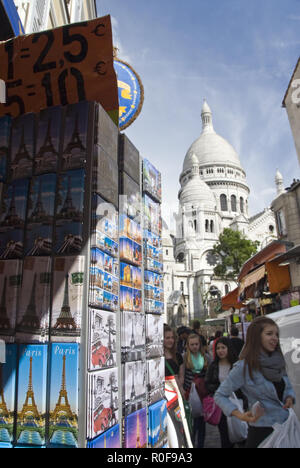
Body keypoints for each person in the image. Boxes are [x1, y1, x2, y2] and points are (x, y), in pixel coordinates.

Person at [214, 316, 296, 448]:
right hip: (261, 431)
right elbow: (220, 395)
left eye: (276, 334)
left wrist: (289, 397)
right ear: (256, 337)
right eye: (269, 334)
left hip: (285, 427)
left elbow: (287, 386)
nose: (274, 338)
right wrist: (240, 415)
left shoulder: (279, 361)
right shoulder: (244, 367)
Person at [205, 337, 238, 448]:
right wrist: (220, 389)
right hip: (221, 406)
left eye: (223, 347)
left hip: (236, 404)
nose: (220, 350)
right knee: (224, 436)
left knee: (238, 433)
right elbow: (208, 383)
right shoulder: (213, 366)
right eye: (218, 348)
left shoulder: (236, 365)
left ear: (229, 348)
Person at [183, 333, 209, 448]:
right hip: (190, 391)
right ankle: (191, 443)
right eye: (192, 344)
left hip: (202, 392)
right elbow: (183, 375)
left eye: (196, 344)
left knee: (202, 421)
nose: (194, 346)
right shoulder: (185, 357)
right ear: (188, 345)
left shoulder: (205, 356)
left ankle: (201, 444)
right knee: (192, 421)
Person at [164, 325, 185, 395]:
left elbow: (181, 376)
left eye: (172, 338)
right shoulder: (157, 358)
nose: (171, 340)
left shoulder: (178, 356)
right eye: (167, 338)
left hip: (176, 392)